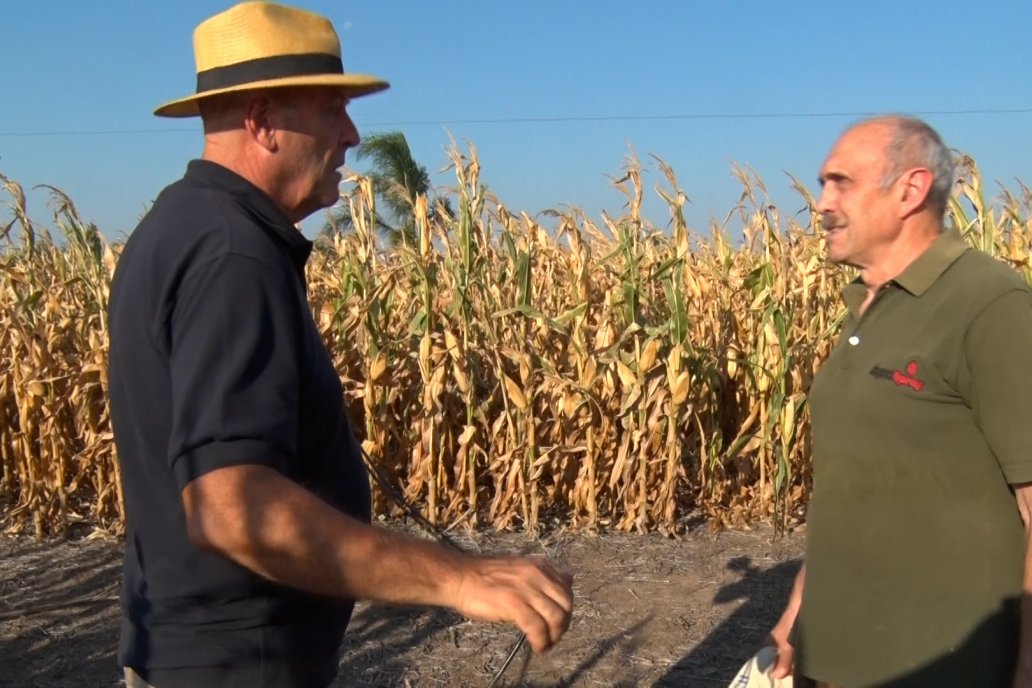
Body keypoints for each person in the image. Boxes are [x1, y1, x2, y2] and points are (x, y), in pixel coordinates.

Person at [107, 4, 573, 687]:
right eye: (332, 109)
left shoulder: (177, 227)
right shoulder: (234, 255)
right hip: (239, 668)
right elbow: (231, 507)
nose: (353, 134)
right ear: (262, 122)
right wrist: (461, 580)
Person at [767, 115, 1032, 687]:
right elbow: (858, 483)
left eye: (841, 183)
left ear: (910, 191)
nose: (821, 203)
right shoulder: (864, 306)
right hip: (832, 657)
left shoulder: (989, 304)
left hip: (939, 665)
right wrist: (799, 607)